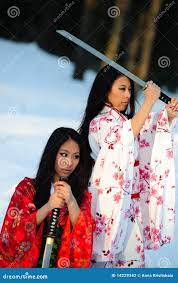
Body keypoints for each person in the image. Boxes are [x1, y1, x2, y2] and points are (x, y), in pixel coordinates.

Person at [79, 65, 178, 268]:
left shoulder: (126, 122)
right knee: (103, 262)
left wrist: (167, 115)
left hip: (130, 210)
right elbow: (125, 136)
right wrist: (150, 101)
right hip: (107, 206)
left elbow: (144, 134)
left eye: (130, 90)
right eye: (122, 89)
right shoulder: (99, 122)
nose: (127, 95)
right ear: (106, 89)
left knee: (131, 266)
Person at [0, 127, 94, 268]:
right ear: (52, 153)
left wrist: (72, 201)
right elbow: (13, 232)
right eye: (64, 154)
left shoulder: (81, 194)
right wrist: (49, 206)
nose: (69, 163)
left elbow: (85, 234)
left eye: (76, 156)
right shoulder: (27, 188)